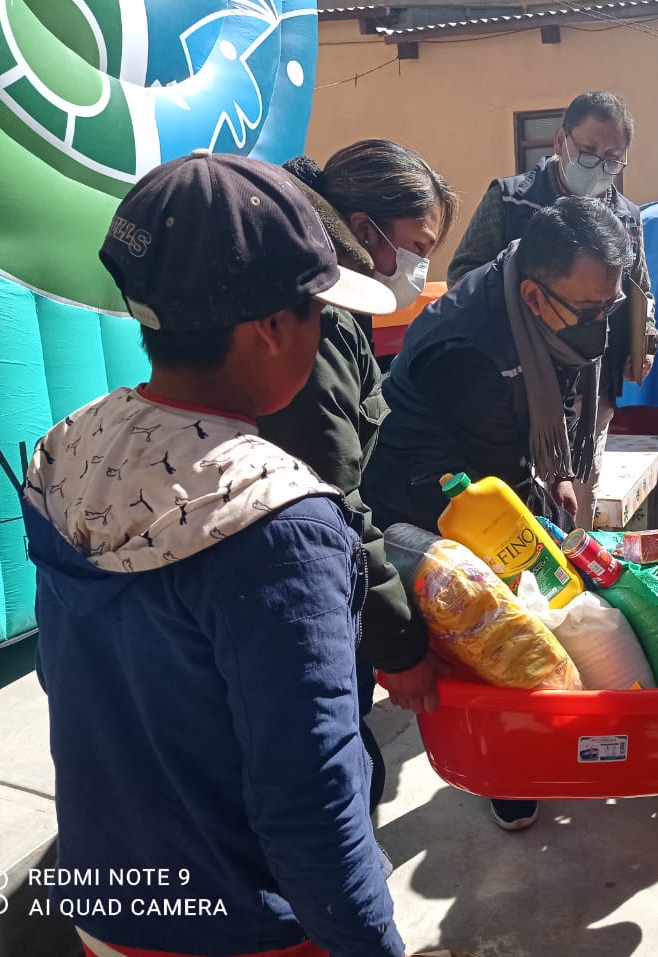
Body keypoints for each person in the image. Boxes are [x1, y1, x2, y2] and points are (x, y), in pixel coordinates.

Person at [24, 154, 405, 956]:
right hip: (237, 926)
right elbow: (312, 797)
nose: (323, 330)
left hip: (108, 895)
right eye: (317, 311)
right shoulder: (281, 521)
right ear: (269, 328)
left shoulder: (67, 447)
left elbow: (66, 675)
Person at [363, 196, 632, 830]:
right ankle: (509, 769)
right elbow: (493, 486)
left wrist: (561, 472)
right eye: (591, 312)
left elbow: (560, 391)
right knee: (493, 630)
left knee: (538, 586)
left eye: (611, 308)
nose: (601, 327)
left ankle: (532, 739)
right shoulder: (472, 347)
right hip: (425, 493)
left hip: (487, 475)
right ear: (535, 297)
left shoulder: (543, 303)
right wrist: (540, 518)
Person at [259, 140, 459, 812]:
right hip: (298, 606)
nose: (419, 266)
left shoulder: (337, 304)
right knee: (342, 782)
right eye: (417, 242)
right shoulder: (320, 315)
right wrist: (399, 644)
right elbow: (333, 504)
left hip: (309, 593)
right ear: (365, 225)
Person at [447, 91, 657, 527]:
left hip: (592, 382)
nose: (600, 164)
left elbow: (640, 291)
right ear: (560, 141)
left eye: (613, 157)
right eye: (589, 151)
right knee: (516, 488)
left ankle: (572, 567)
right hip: (516, 380)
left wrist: (645, 340)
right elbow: (464, 276)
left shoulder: (628, 217)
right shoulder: (510, 200)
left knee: (580, 488)